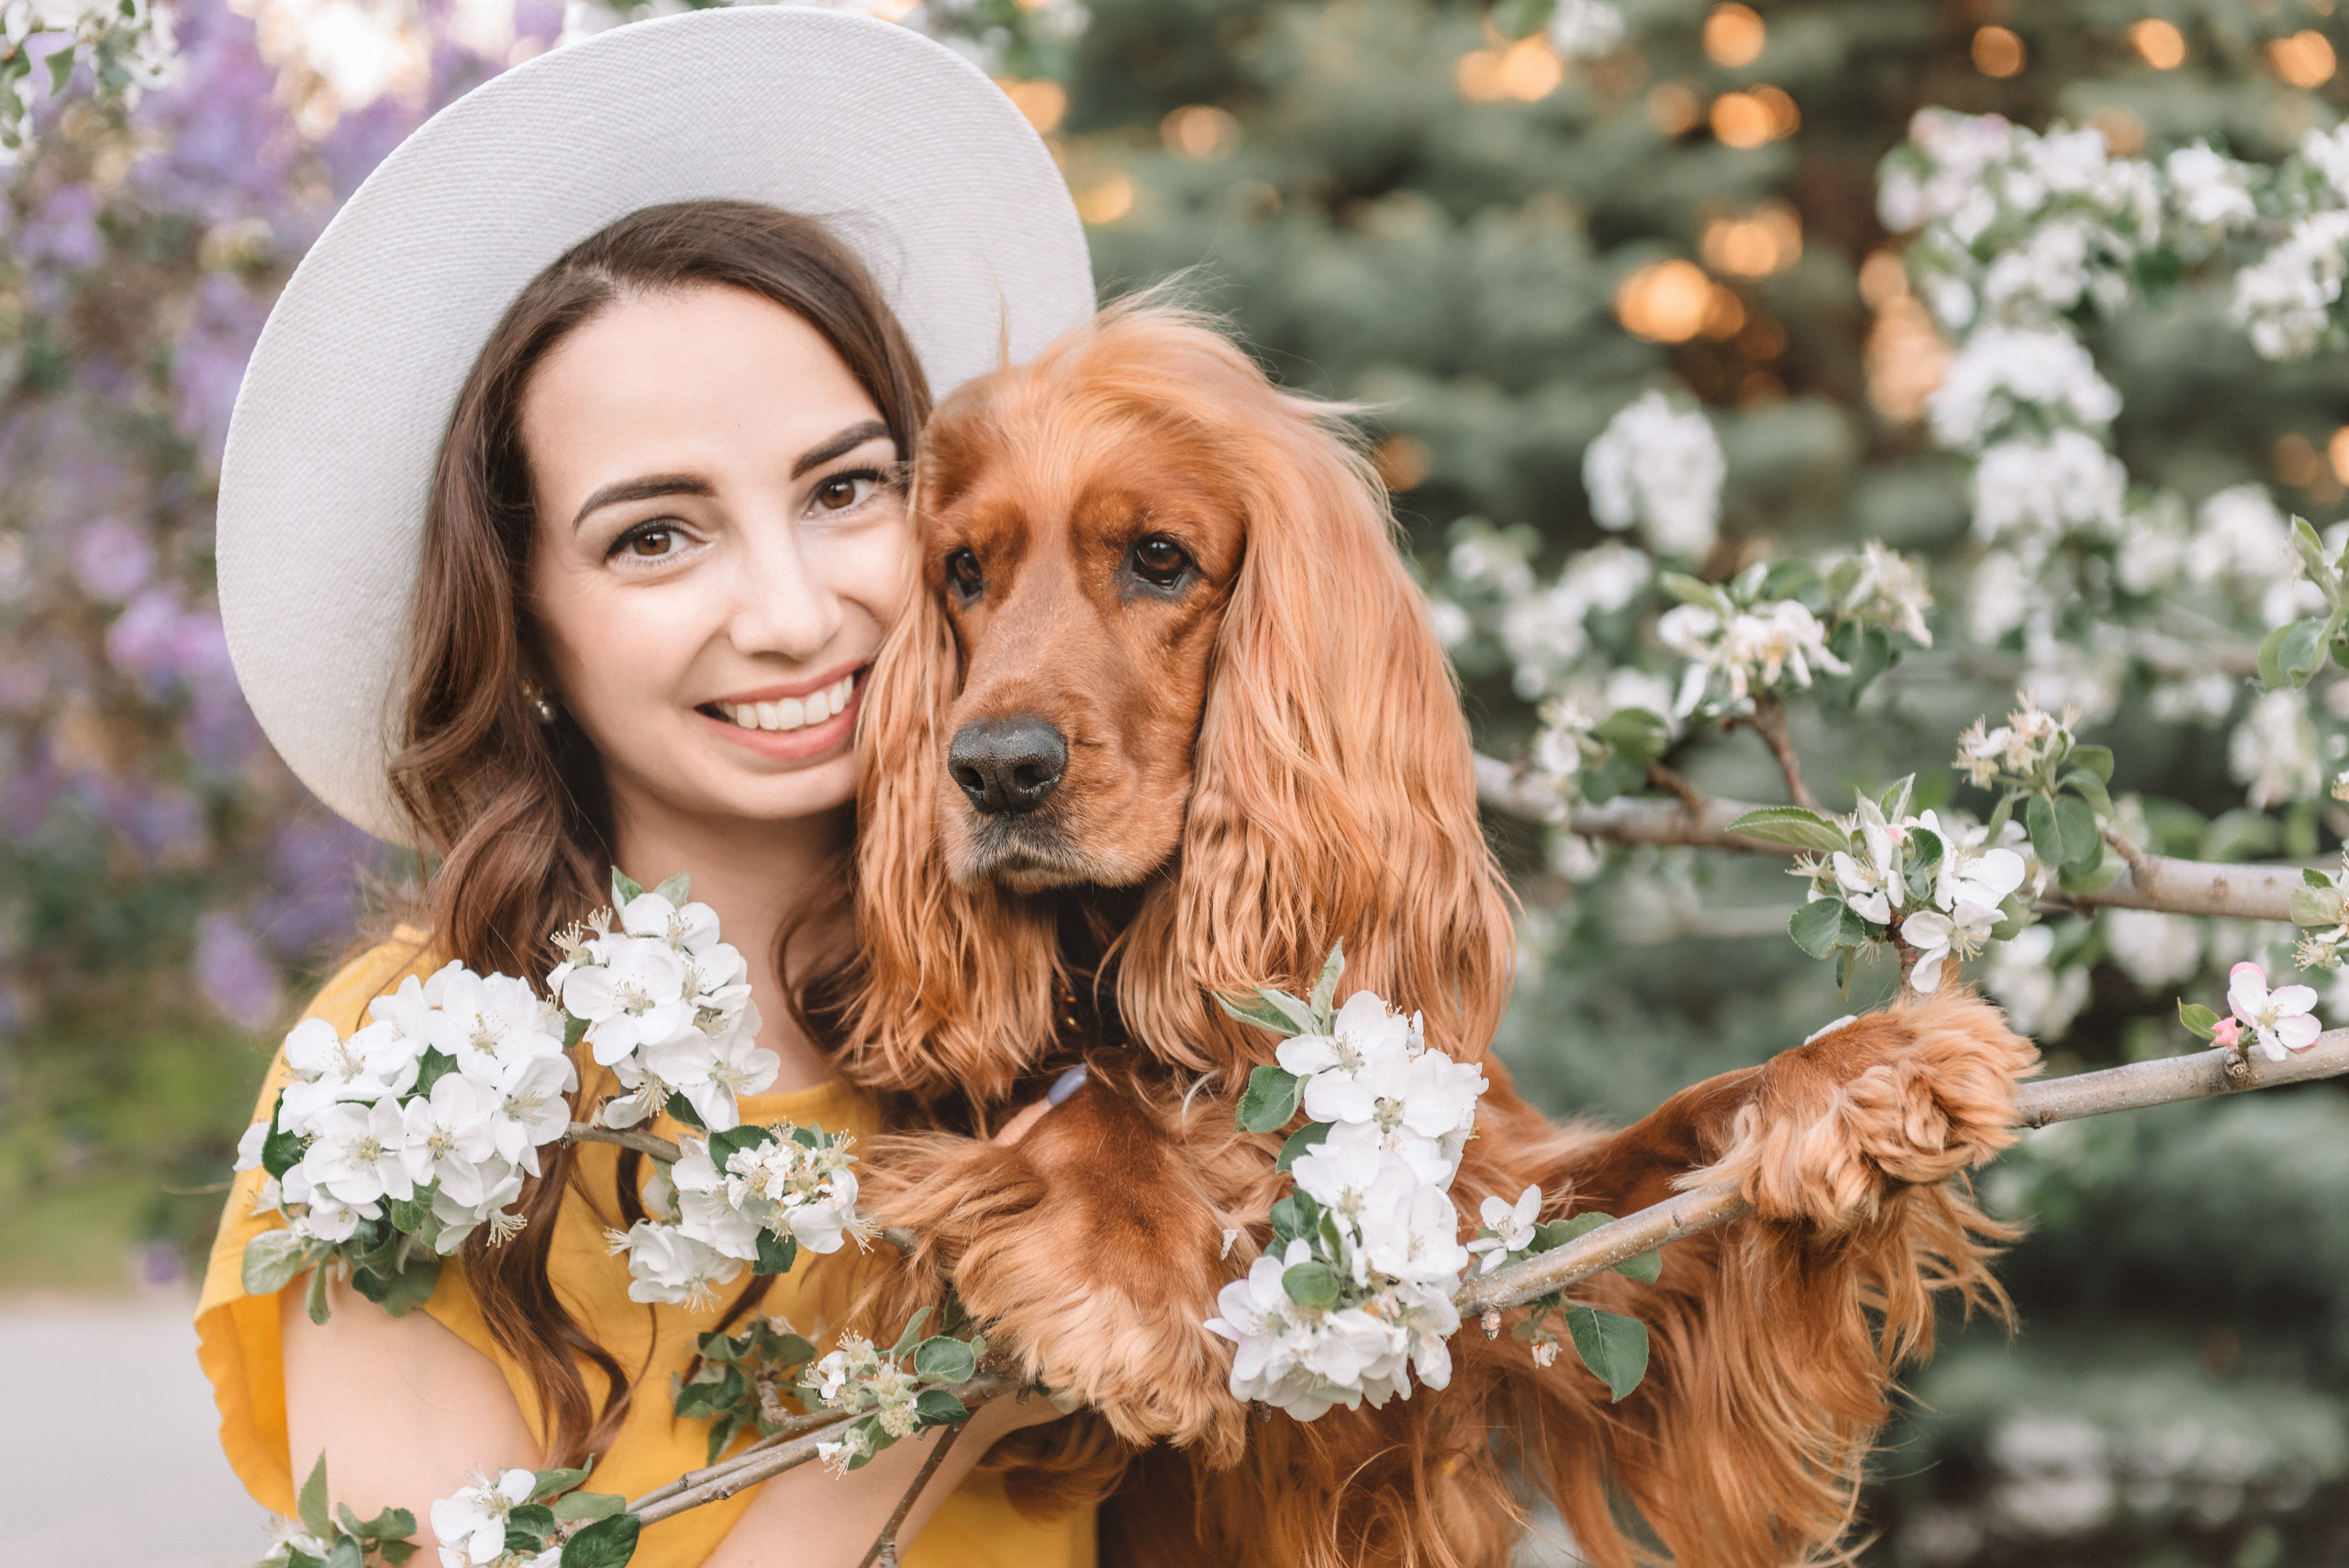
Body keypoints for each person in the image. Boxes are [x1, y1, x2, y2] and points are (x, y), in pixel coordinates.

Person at [195, 11, 1097, 1564]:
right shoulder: (408, 1087)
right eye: (654, 535)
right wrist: (964, 1366)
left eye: (844, 489)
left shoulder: (1068, 981)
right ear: (527, 626)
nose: (795, 611)